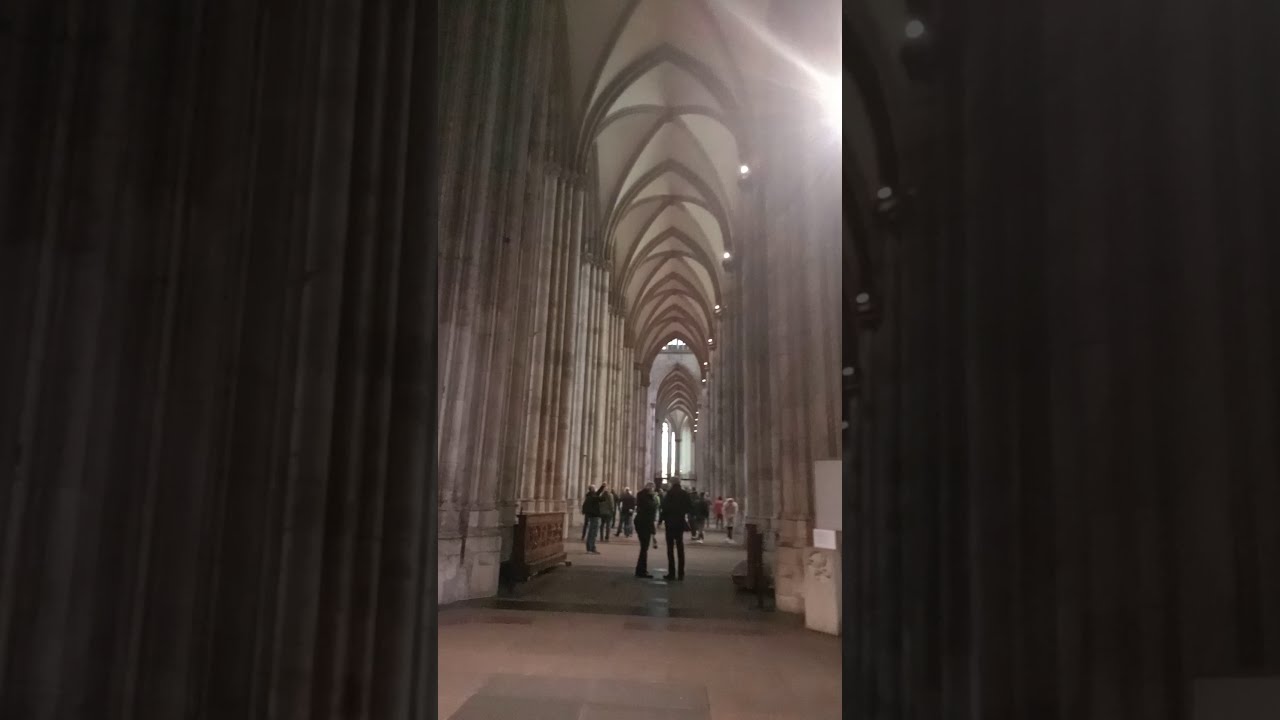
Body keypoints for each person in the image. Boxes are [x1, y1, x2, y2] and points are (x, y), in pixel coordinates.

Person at [660, 479, 693, 581]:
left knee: (670, 549)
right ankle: (681, 573)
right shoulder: (684, 494)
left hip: (670, 523)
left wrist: (660, 520)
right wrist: (682, 513)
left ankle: (671, 573)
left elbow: (664, 508)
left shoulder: (669, 494)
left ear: (672, 483)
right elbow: (690, 507)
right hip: (679, 523)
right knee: (680, 547)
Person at [633, 482, 659, 578]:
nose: (654, 490)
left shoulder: (642, 495)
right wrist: (653, 498)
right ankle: (641, 571)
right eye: (653, 488)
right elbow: (650, 509)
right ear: (650, 488)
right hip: (644, 524)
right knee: (644, 548)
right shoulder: (645, 497)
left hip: (643, 523)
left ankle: (641, 569)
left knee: (644, 548)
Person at [583, 485, 603, 553]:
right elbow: (601, 499)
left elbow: (597, 493)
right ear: (592, 490)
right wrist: (605, 492)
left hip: (592, 516)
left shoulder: (590, 495)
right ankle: (591, 548)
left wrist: (602, 487)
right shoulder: (592, 496)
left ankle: (591, 547)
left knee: (592, 532)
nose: (595, 490)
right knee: (593, 533)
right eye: (594, 488)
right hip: (594, 516)